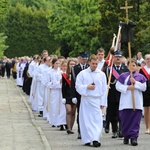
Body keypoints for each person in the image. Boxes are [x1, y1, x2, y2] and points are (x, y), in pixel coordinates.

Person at [75, 54, 107, 147]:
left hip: (97, 100)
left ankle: (96, 139)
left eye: (96, 64)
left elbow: (104, 90)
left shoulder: (101, 74)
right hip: (86, 100)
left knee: (97, 120)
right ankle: (87, 139)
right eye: (93, 63)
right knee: (86, 121)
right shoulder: (83, 73)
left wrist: (103, 103)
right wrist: (87, 87)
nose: (94, 65)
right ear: (89, 62)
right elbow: (77, 86)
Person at [116, 59, 147, 146]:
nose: (132, 67)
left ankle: (134, 137)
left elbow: (144, 88)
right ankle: (126, 136)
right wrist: (127, 88)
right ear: (127, 66)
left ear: (136, 66)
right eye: (130, 65)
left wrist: (135, 83)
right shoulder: (123, 76)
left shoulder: (140, 77)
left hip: (136, 103)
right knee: (126, 120)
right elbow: (117, 86)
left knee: (135, 121)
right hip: (126, 102)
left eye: (134, 65)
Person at [104, 50, 128, 138]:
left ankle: (121, 130)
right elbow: (105, 81)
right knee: (111, 113)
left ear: (121, 58)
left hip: (122, 94)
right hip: (111, 94)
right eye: (116, 57)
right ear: (113, 58)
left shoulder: (125, 69)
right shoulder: (108, 69)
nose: (118, 58)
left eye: (119, 57)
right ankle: (114, 130)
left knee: (121, 113)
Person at [71, 51, 89, 139]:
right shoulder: (75, 68)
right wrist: (73, 96)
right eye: (83, 59)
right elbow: (73, 83)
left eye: (86, 59)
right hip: (79, 94)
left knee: (88, 114)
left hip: (88, 94)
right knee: (80, 113)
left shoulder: (89, 68)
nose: (84, 60)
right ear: (79, 58)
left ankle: (87, 131)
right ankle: (80, 131)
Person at [62, 59, 76, 134]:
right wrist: (63, 97)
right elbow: (63, 87)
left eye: (73, 64)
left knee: (73, 112)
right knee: (69, 110)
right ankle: (68, 127)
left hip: (74, 95)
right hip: (67, 95)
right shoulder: (64, 75)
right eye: (71, 64)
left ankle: (71, 127)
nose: (72, 66)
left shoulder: (76, 74)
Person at [139, 54, 150, 134]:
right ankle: (147, 127)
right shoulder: (142, 70)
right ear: (145, 60)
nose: (149, 60)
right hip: (146, 92)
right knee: (146, 109)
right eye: (147, 59)